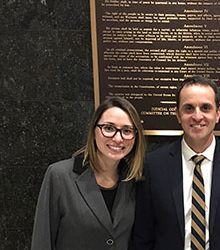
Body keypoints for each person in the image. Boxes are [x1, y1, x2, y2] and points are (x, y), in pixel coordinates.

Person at [132, 75, 220, 250]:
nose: (197, 116)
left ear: (218, 114)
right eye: (189, 108)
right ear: (178, 114)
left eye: (205, 108)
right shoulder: (153, 166)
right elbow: (143, 235)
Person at [31, 97, 146, 250]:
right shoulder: (60, 176)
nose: (118, 138)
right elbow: (42, 241)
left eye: (127, 131)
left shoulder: (134, 180)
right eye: (109, 128)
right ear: (93, 131)